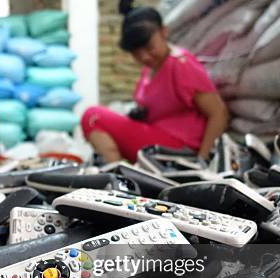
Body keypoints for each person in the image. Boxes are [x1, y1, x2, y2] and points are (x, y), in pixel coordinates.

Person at [81, 0, 229, 163]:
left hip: (178, 146)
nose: (144, 56)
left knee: (92, 116)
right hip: (156, 138)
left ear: (164, 32)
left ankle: (115, 172)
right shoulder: (151, 68)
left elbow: (218, 112)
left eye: (149, 47)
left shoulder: (181, 65)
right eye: (136, 53)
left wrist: (202, 160)